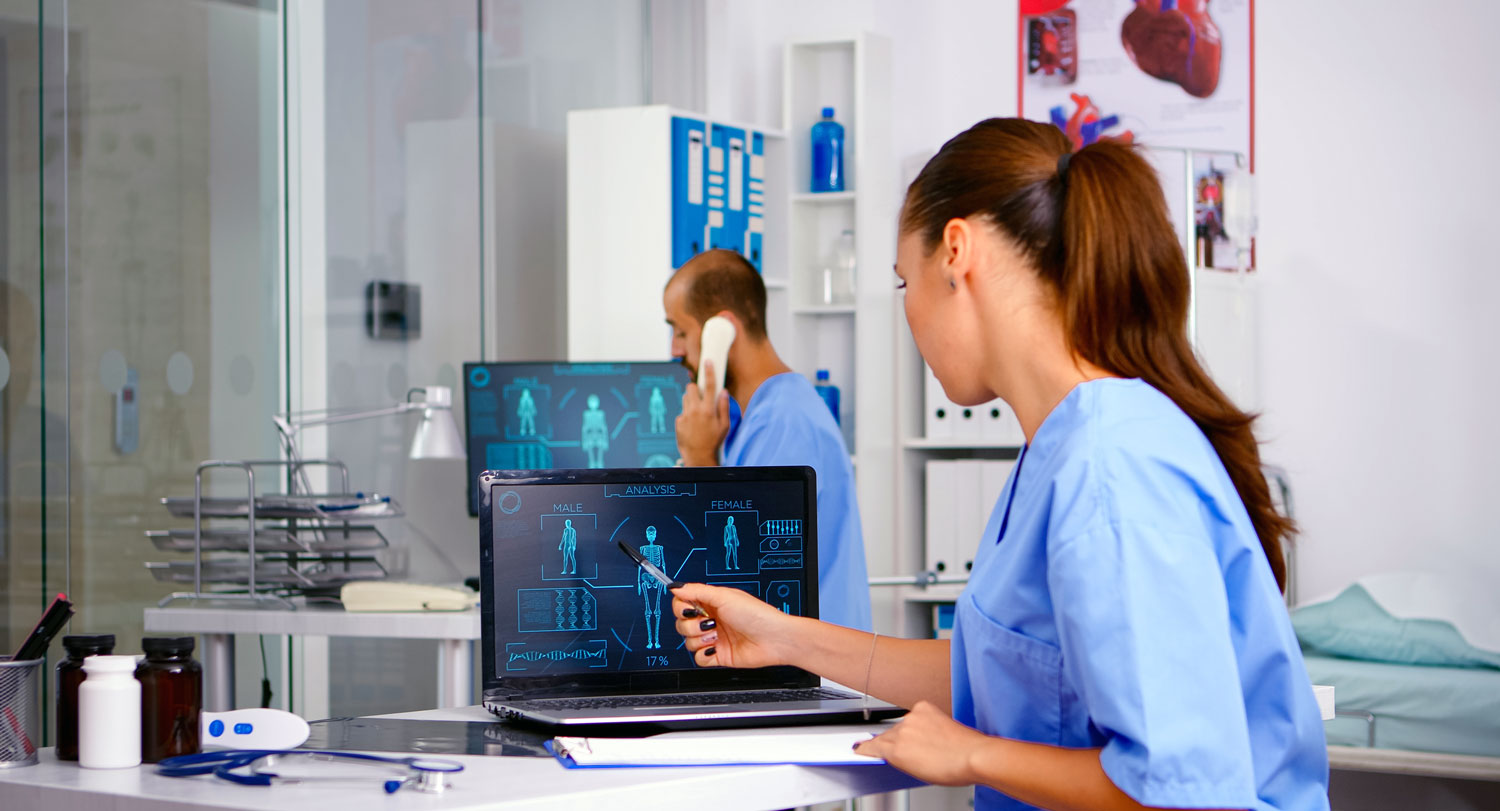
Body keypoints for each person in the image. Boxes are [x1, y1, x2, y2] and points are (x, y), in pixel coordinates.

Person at [672, 119, 1329, 810]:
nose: (911, 316)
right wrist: (781, 636)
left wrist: (971, 753)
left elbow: (1182, 792)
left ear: (955, 251)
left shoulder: (1111, 468)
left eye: (905, 284)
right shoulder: (1063, 450)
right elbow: (991, 675)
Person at [666, 250, 872, 631]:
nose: (675, 349)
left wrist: (698, 458)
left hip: (812, 671)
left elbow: (743, 586)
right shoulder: (758, 418)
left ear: (720, 331)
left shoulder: (785, 423)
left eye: (680, 330)